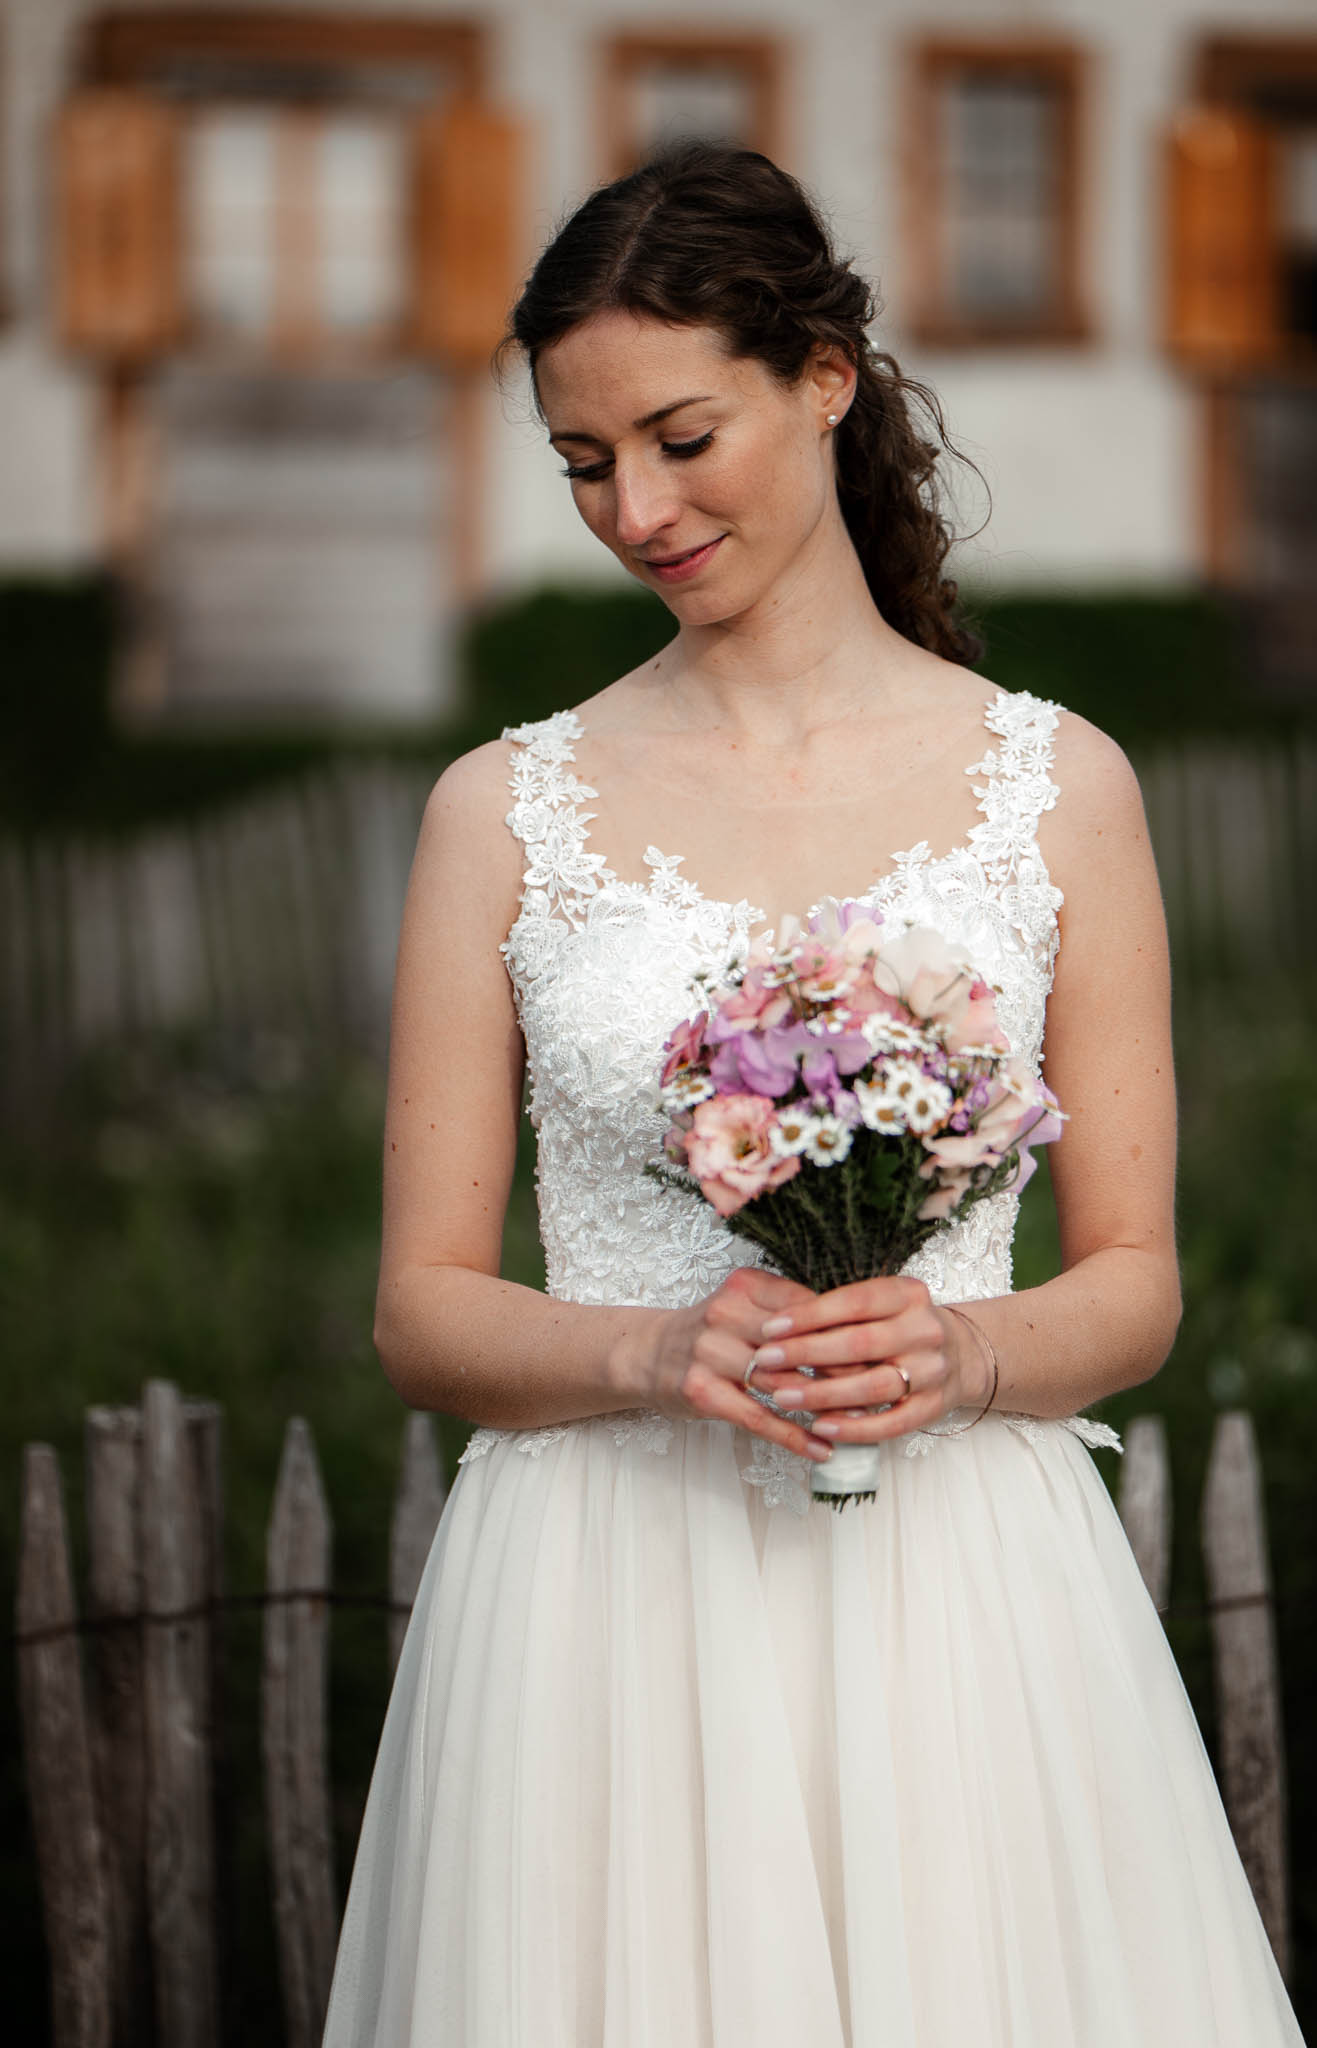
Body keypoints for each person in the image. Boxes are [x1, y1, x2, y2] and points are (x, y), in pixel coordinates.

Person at [322, 143, 1304, 2047]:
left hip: (959, 1595)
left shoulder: (1058, 788)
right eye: (585, 463)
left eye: (682, 435)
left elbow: (1132, 1285)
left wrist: (963, 1354)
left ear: (824, 381)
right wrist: (646, 1354)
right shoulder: (498, 813)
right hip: (606, 1601)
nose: (638, 507)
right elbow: (420, 1313)